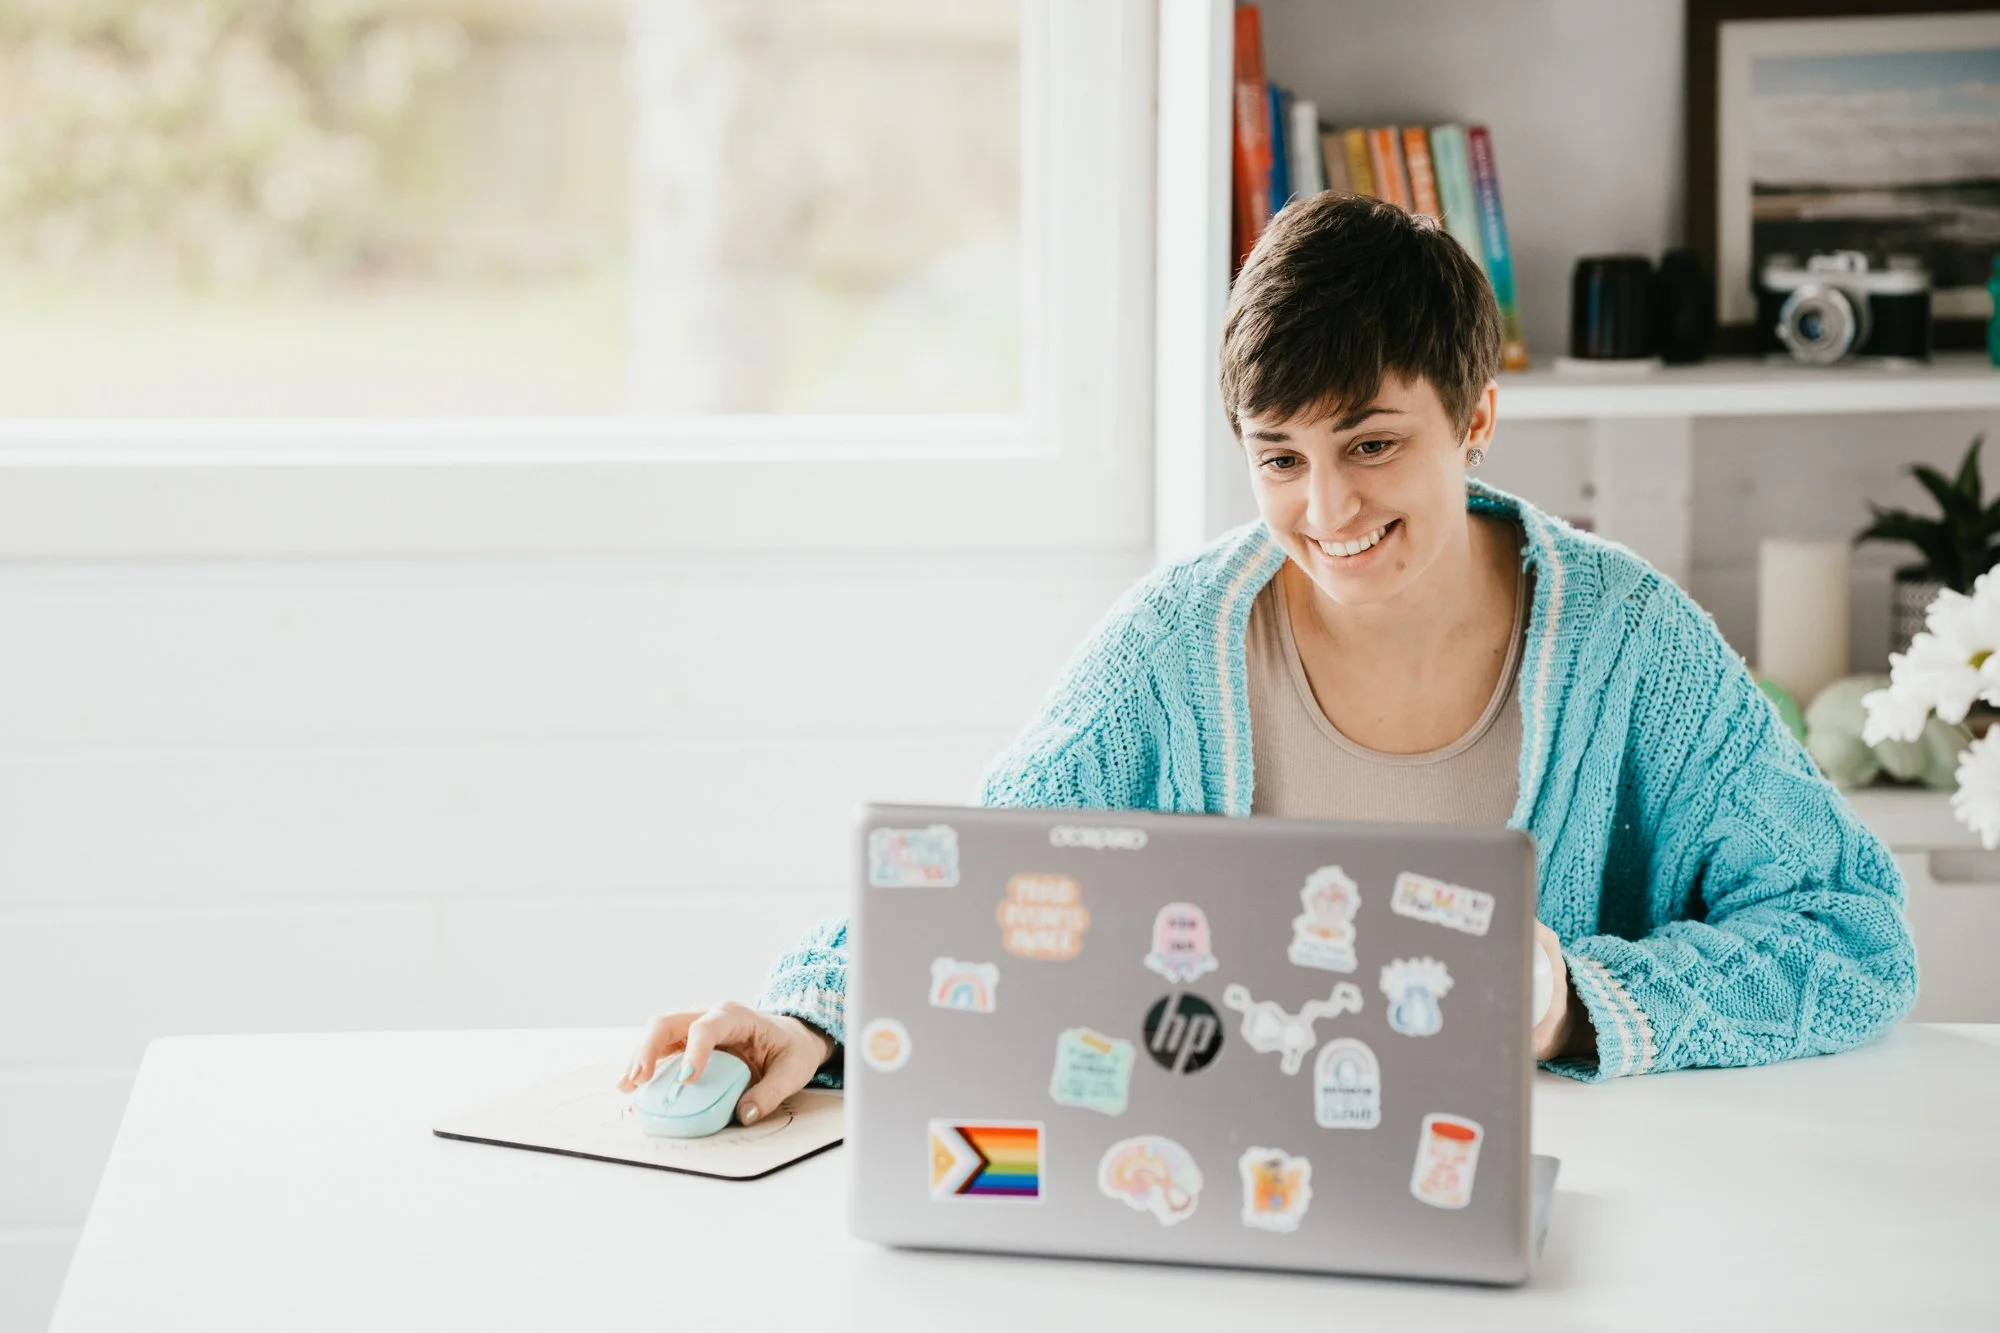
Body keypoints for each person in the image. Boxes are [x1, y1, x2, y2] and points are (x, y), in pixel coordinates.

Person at [619, 193, 1918, 1123]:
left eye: (1372, 446)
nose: (1328, 510)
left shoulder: (1633, 643)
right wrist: (811, 1015)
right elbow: (992, 874)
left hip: (1554, 1202)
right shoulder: (1173, 646)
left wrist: (1566, 1001)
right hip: (1230, 1197)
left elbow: (1855, 938)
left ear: (1476, 417)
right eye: (1279, 458)